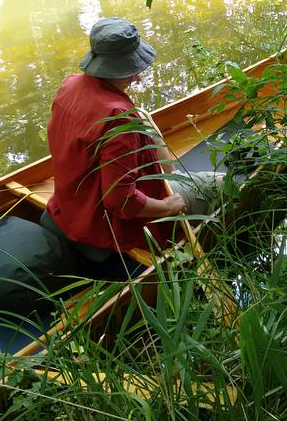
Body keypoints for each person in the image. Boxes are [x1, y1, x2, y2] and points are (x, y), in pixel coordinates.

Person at [43, 18, 222, 279]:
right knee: (218, 184)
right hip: (109, 229)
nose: (138, 76)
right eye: (132, 69)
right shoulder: (119, 118)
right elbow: (122, 201)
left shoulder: (69, 86)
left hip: (71, 212)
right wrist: (168, 207)